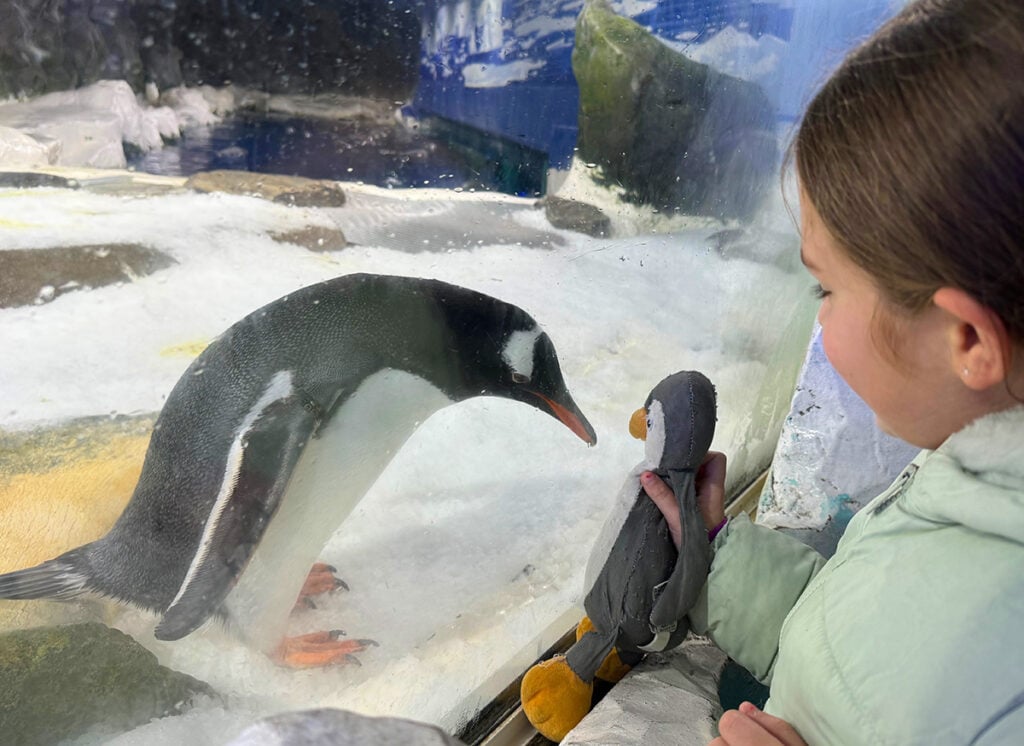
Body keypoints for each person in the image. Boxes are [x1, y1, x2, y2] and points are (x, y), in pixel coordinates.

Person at [643, 0, 1024, 743]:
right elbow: (861, 657)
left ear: (968, 340)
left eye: (827, 288)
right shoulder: (969, 476)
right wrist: (718, 555)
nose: (818, 320)